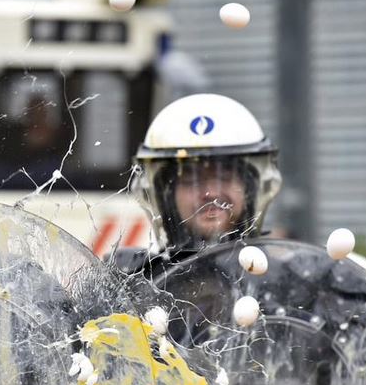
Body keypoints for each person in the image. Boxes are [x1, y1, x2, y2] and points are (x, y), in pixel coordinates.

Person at [114, 93, 282, 277]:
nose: (211, 193)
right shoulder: (132, 283)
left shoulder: (289, 286)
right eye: (190, 179)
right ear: (166, 196)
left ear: (250, 188)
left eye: (225, 175)